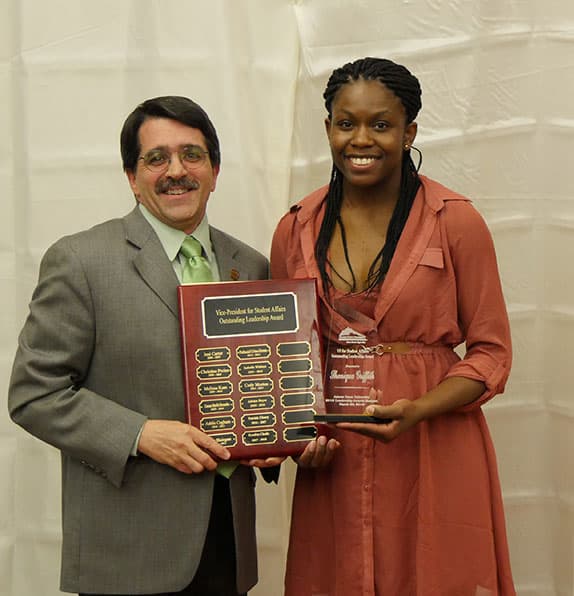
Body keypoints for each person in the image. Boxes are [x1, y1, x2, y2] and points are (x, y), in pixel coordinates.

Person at [8, 95, 280, 596]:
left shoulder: (252, 266)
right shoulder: (81, 261)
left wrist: (273, 440)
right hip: (127, 551)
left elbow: (259, 382)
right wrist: (141, 434)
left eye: (191, 155)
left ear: (215, 170)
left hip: (227, 545)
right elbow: (34, 395)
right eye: (157, 158)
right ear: (132, 178)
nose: (176, 170)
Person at [271, 58, 516, 595]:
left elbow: (492, 354)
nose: (361, 139)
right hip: (336, 450)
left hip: (434, 443)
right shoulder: (296, 226)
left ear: (409, 133)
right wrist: (295, 437)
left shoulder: (455, 220)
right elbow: (281, 355)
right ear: (328, 127)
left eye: (380, 125)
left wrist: (420, 408)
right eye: (345, 122)